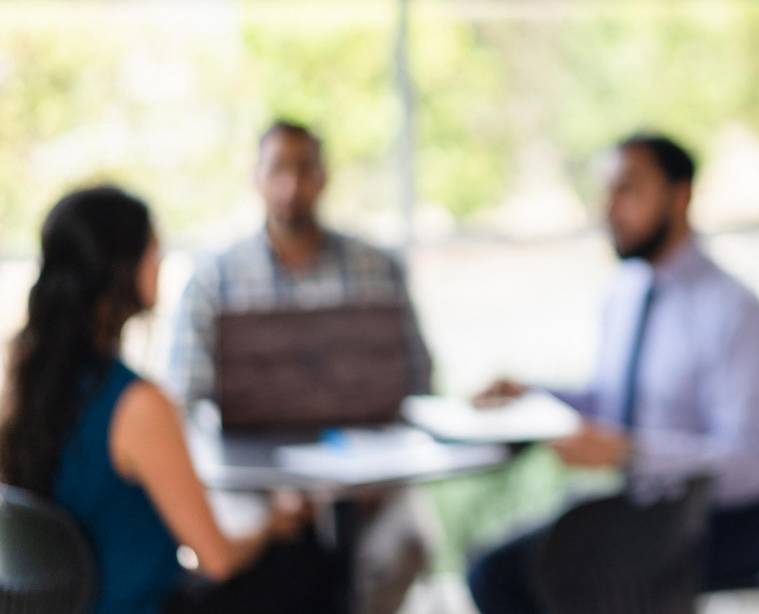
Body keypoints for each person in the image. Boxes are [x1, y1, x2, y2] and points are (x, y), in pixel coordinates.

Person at [469, 133, 759, 613]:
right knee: (499, 565)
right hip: (646, 507)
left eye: (627, 191)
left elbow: (754, 463)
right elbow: (615, 400)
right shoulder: (624, 293)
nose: (608, 209)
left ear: (679, 196)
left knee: (540, 568)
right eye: (606, 192)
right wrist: (535, 397)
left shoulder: (735, 311)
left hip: (729, 519)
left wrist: (631, 452)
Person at [0, 186, 340, 614]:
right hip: (145, 606)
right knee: (309, 560)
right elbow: (217, 559)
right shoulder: (137, 403)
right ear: (121, 268)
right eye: (153, 251)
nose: (160, 264)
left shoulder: (23, 386)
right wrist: (271, 523)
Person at [167, 120, 435, 614]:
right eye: (277, 170)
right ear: (256, 178)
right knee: (271, 570)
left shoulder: (378, 269)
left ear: (324, 177)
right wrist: (271, 506)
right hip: (255, 485)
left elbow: (419, 379)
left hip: (374, 478)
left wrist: (377, 475)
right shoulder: (214, 280)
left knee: (403, 546)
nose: (291, 186)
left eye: (305, 169)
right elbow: (183, 400)